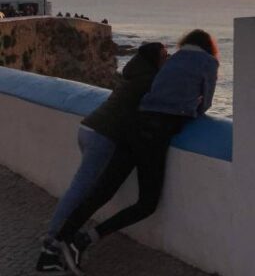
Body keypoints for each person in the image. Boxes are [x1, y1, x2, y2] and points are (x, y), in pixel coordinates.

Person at [54, 30, 219, 275]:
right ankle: (83, 240)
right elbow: (205, 104)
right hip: (155, 134)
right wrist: (190, 109)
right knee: (147, 204)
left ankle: (61, 239)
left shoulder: (172, 60)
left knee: (103, 191)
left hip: (134, 124)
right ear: (208, 47)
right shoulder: (209, 62)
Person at [36, 42, 168, 273]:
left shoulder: (133, 74)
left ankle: (57, 240)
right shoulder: (149, 81)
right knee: (82, 190)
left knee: (84, 189)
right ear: (154, 58)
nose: (167, 59)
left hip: (89, 129)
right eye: (164, 55)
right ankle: (52, 244)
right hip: (103, 137)